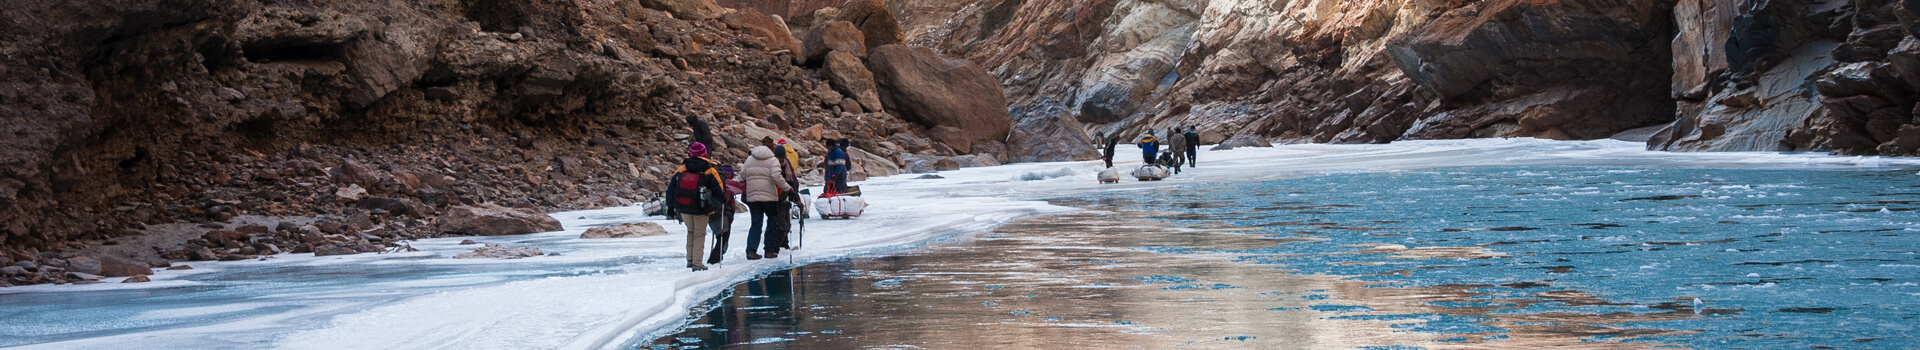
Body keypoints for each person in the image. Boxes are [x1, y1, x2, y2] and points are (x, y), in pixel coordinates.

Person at [666, 142, 725, 271]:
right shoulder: (709, 170)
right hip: (701, 208)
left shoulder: (682, 169)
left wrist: (671, 208)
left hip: (684, 207)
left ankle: (690, 260)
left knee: (690, 232)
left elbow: (671, 189)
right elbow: (719, 192)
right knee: (699, 235)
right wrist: (713, 206)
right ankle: (697, 263)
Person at [740, 145, 792, 260]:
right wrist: (787, 188)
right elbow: (776, 176)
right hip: (769, 197)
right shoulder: (773, 160)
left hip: (753, 197)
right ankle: (769, 251)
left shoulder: (749, 159)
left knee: (756, 223)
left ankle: (751, 251)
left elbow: (743, 174)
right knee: (772, 222)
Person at [707, 165, 744, 265]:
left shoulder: (713, 181)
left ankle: (714, 258)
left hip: (711, 213)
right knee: (723, 238)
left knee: (719, 235)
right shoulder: (730, 183)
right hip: (724, 214)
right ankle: (714, 260)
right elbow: (743, 188)